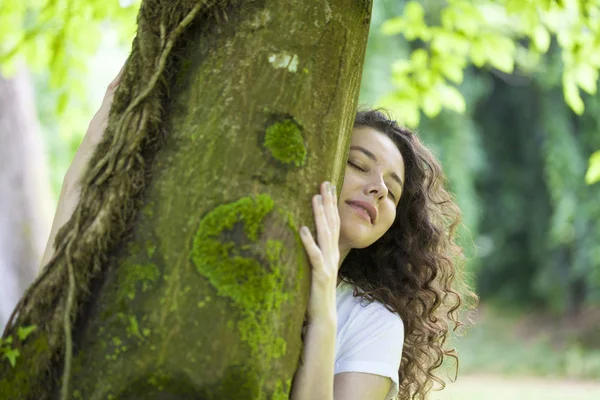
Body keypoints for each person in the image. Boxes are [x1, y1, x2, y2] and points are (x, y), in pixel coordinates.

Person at [42, 70, 469, 400]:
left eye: (392, 191)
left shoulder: (373, 323)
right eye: (359, 164)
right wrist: (100, 131)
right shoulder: (219, 253)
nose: (377, 187)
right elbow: (59, 277)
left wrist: (323, 311)